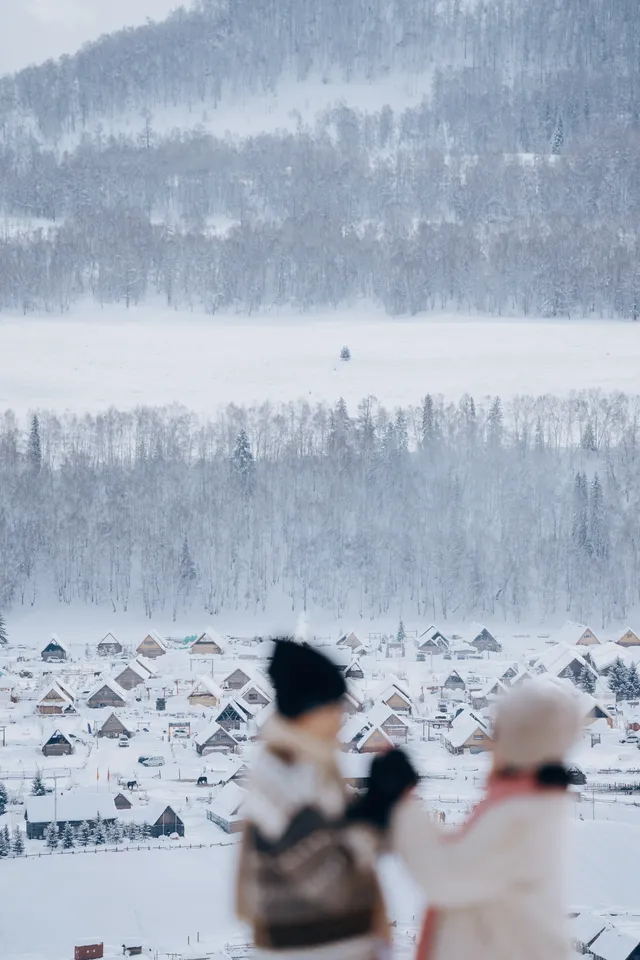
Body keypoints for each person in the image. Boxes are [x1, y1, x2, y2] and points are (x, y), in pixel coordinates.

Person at [236, 638, 416, 960]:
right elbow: (328, 879)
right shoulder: (286, 775)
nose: (341, 718)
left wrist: (377, 801)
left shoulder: (308, 765)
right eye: (335, 707)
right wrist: (379, 805)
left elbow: (331, 838)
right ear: (309, 710)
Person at [388, 683, 581, 960]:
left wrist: (402, 806)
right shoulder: (527, 803)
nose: (489, 743)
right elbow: (460, 860)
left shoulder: (521, 816)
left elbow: (448, 878)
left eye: (497, 733)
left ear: (520, 741)